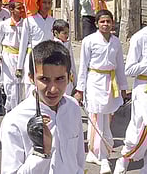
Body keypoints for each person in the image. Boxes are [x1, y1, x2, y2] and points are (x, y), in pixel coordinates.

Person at [0, 40, 85, 173]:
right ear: (31, 78)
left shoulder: (72, 107)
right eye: (44, 79)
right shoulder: (15, 121)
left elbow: (78, 159)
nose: (53, 89)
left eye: (60, 79)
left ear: (69, 77)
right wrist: (41, 154)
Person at [74, 9, 128, 174]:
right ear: (97, 24)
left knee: (107, 118)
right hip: (94, 82)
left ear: (112, 23)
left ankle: (97, 151)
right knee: (96, 118)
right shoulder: (89, 41)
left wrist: (123, 87)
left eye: (108, 21)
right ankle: (102, 156)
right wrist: (80, 89)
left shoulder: (116, 42)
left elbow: (120, 66)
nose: (105, 24)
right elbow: (83, 66)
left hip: (110, 84)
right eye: (102, 22)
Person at [114, 26, 147, 174]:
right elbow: (129, 69)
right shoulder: (139, 37)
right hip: (143, 87)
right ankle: (124, 159)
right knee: (140, 127)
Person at [17, 0, 55, 99]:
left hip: (47, 59)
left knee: (45, 86)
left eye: (49, 3)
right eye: (44, 3)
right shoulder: (29, 21)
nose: (47, 6)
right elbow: (23, 44)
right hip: (32, 57)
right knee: (31, 87)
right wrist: (19, 67)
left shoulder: (53, 21)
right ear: (38, 3)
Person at [0, 0, 25, 112]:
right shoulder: (4, 24)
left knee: (21, 84)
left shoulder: (26, 24)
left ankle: (19, 109)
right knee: (10, 84)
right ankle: (10, 109)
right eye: (19, 8)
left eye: (22, 7)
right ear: (11, 9)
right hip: (8, 57)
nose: (22, 10)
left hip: (21, 56)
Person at [52, 19, 77, 95]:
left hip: (68, 78)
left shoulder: (67, 44)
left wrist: (76, 81)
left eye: (68, 33)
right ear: (56, 33)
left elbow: (72, 62)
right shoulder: (53, 45)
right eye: (64, 33)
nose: (67, 35)